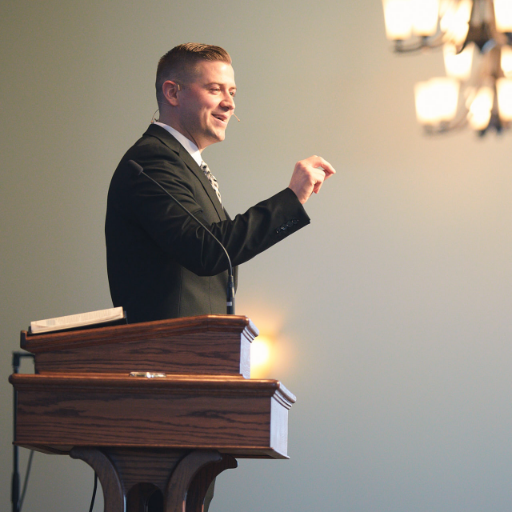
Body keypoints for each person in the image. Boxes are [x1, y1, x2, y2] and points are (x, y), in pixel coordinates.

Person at [106, 42, 335, 324]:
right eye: (215, 89)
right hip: (169, 354)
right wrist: (291, 198)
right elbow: (207, 250)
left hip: (201, 350)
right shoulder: (152, 160)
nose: (229, 103)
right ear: (172, 93)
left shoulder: (184, 164)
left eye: (232, 91)